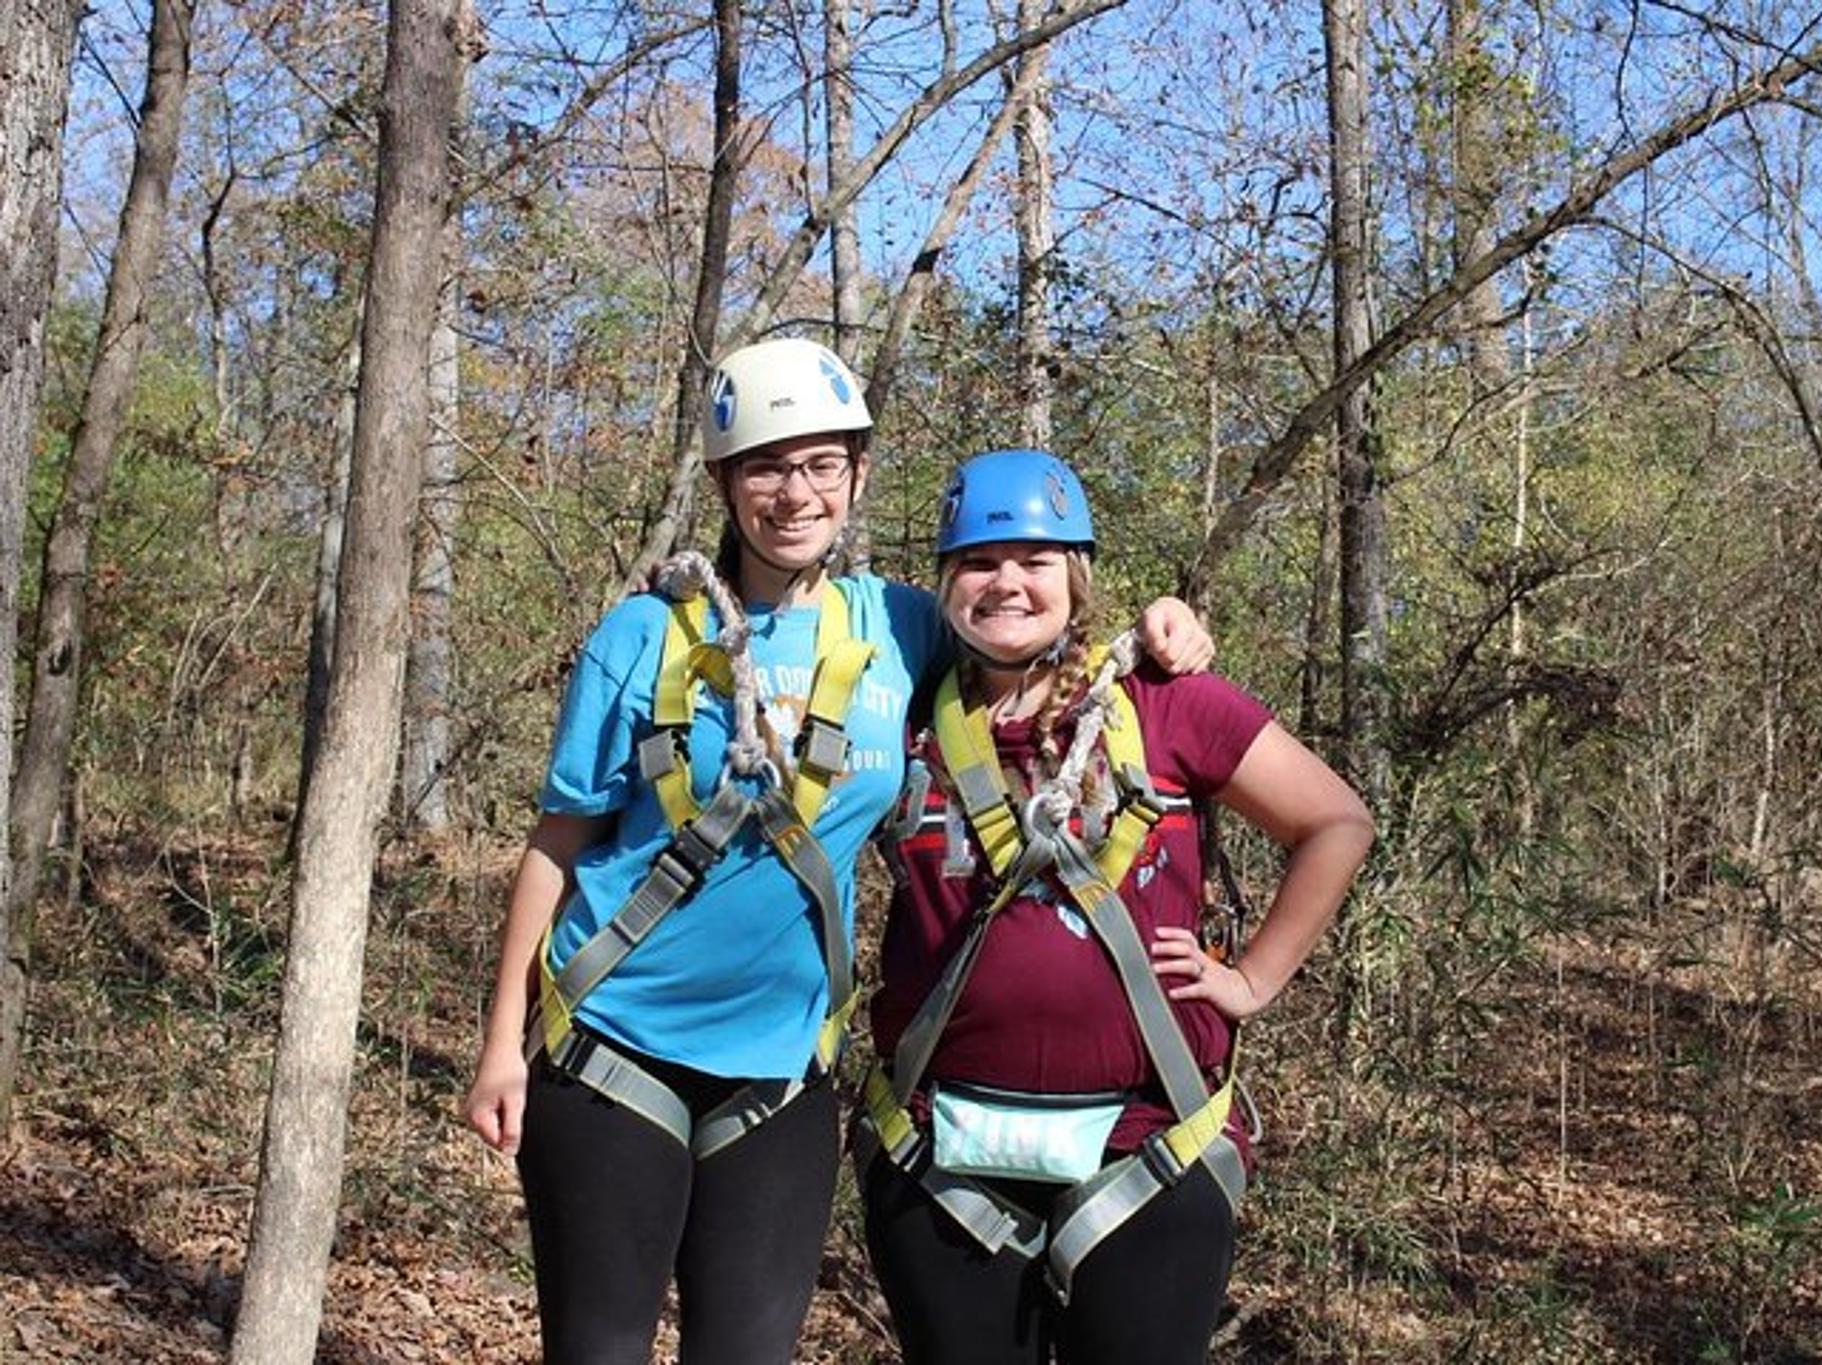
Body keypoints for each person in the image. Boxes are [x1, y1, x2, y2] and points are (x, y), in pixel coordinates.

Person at [462, 340, 1212, 1364]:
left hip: (781, 1070)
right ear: (726, 484)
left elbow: (1026, 633)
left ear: (856, 477)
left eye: (821, 465)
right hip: (610, 1044)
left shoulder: (899, 628)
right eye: (765, 467)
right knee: (597, 1351)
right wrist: (502, 1042)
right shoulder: (643, 635)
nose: (793, 493)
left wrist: (1160, 626)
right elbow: (558, 843)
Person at [858, 448, 1374, 1364]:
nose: (1006, 582)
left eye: (1035, 560)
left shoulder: (1161, 699)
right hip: (937, 1150)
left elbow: (1335, 821)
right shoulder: (900, 706)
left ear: (1077, 574)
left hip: (1148, 1148)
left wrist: (1253, 976)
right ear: (943, 583)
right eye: (978, 561)